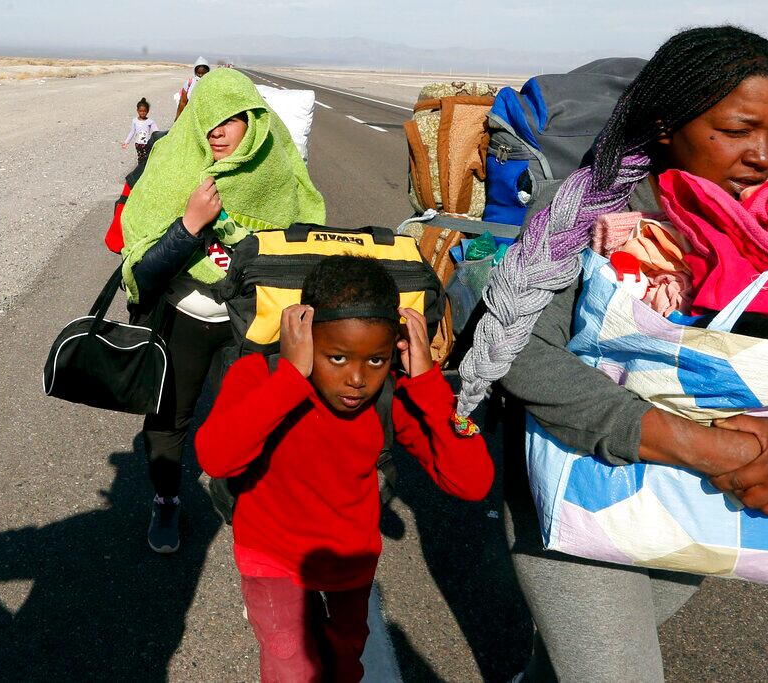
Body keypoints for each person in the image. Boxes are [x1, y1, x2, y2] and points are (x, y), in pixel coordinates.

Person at [456, 26, 768, 681]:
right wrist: (701, 444)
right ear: (663, 126)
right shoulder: (587, 212)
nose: (763, 156)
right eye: (736, 130)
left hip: (706, 502)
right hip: (587, 480)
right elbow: (523, 352)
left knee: (578, 658)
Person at [195, 255, 494, 682]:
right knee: (289, 666)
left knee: (343, 663)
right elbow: (217, 457)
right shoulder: (260, 377)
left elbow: (472, 481)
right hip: (271, 556)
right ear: (303, 335)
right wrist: (290, 378)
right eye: (336, 358)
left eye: (376, 360)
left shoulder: (391, 397)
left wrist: (427, 382)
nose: (357, 379)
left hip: (349, 564)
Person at [119, 67, 326, 553]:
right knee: (169, 419)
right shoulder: (176, 163)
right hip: (183, 320)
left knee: (254, 421)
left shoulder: (276, 167)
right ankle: (167, 501)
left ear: (253, 119)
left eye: (231, 119)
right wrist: (190, 224)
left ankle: (236, 495)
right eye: (209, 120)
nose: (217, 131)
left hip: (248, 323)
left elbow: (302, 241)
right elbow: (143, 271)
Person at [121, 97, 159, 163]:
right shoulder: (134, 121)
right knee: (140, 158)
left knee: (147, 158)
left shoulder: (150, 121)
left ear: (148, 111)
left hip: (146, 144)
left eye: (144, 111)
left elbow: (156, 132)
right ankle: (140, 168)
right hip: (138, 144)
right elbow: (132, 132)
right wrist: (126, 142)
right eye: (140, 111)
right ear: (137, 110)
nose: (142, 113)